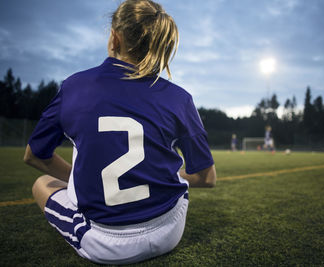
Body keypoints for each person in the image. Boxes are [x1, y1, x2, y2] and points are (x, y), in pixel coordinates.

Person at [23, 0, 217, 264]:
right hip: (170, 232)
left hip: (106, 244)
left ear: (115, 37)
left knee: (41, 184)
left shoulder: (75, 87)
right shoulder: (179, 98)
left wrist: (79, 181)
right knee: (178, 182)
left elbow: (34, 156)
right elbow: (207, 178)